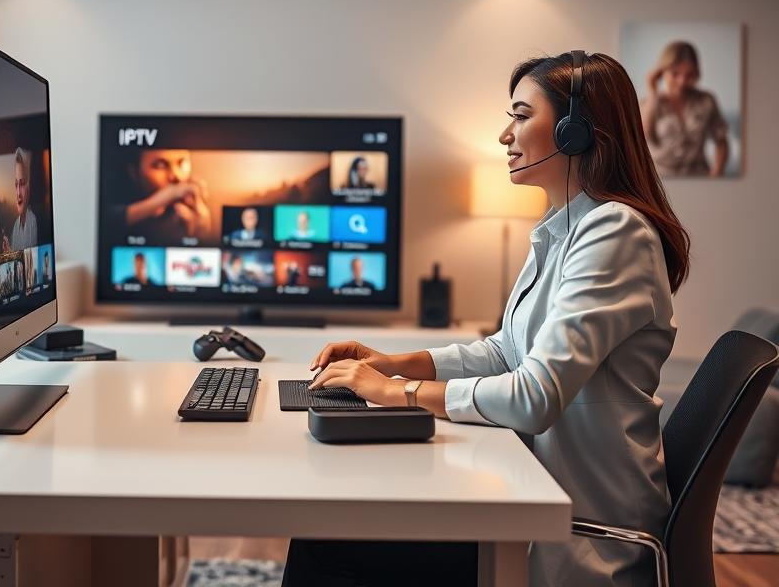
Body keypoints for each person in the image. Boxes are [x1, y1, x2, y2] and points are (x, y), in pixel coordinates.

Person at [285, 52, 690, 587]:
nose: (506, 135)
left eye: (521, 116)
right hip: (531, 496)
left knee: (324, 544)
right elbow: (506, 352)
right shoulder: (562, 228)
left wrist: (395, 391)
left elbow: (533, 396)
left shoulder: (614, 231)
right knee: (331, 533)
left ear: (575, 131)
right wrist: (394, 362)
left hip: (578, 535)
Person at [640, 40, 730, 176]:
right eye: (675, 73)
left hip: (699, 178)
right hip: (660, 181)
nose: (682, 81)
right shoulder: (648, 103)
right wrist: (653, 93)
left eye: (689, 75)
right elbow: (641, 136)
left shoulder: (706, 100)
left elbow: (721, 140)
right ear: (661, 72)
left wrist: (716, 175)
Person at [112, 149, 211, 243]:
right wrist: (153, 205)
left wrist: (199, 232)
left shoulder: (192, 203)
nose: (177, 176)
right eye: (160, 165)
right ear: (133, 172)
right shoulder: (115, 204)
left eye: (182, 163)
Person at [5, 148, 38, 251]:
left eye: (22, 184)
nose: (18, 193)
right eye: (16, 184)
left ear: (30, 186)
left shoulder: (34, 221)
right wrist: (8, 251)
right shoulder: (16, 226)